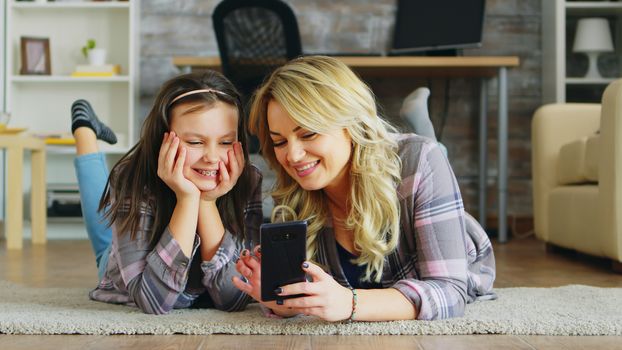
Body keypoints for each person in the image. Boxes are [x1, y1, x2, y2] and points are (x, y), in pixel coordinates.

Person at [232, 56, 496, 322]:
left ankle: (423, 128)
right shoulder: (295, 191)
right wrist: (285, 303)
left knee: (429, 153)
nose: (293, 155)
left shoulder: (420, 162)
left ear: (351, 124)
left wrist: (350, 303)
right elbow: (314, 295)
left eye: (308, 134)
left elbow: (450, 292)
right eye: (279, 142)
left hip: (445, 232)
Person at [71, 71, 263, 314]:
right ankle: (84, 129)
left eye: (225, 142)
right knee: (104, 242)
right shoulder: (135, 179)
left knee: (107, 234)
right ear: (164, 139)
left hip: (154, 250)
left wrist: (207, 203)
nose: (212, 158)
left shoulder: (248, 179)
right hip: (123, 264)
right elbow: (153, 301)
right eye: (195, 142)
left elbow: (235, 298)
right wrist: (187, 199)